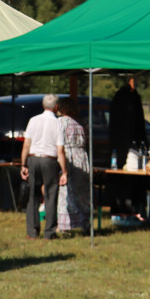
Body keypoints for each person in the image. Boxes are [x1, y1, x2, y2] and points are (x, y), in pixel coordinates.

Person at [20, 93, 67, 240]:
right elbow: (60, 150)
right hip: (50, 160)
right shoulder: (58, 123)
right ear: (57, 107)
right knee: (50, 196)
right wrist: (64, 171)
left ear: (43, 105)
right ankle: (49, 232)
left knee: (33, 195)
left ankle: (32, 232)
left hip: (33, 159)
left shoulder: (33, 120)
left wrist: (23, 164)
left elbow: (26, 144)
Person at [108, 73, 147, 217]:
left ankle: (132, 205)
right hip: (122, 145)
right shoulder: (123, 98)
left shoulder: (133, 97)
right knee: (123, 176)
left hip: (129, 143)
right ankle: (124, 205)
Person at [56, 97, 90, 234]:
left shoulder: (61, 122)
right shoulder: (80, 123)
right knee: (82, 193)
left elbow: (59, 142)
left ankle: (65, 225)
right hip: (81, 157)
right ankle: (84, 223)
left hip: (68, 156)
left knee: (66, 192)